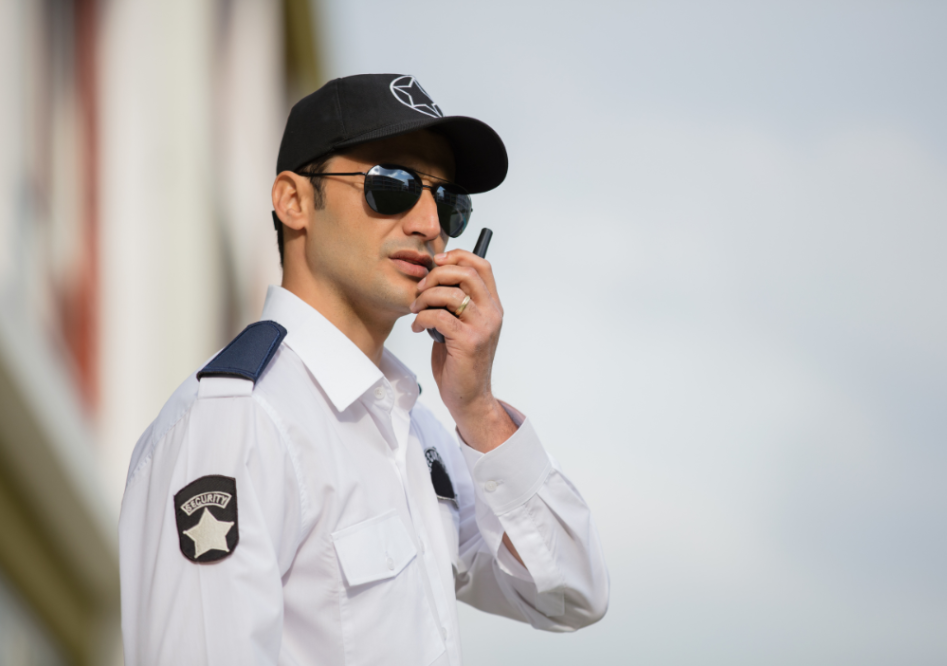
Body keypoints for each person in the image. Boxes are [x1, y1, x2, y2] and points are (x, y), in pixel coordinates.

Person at [118, 73, 609, 666]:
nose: (430, 224)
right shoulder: (238, 424)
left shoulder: (417, 429)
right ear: (294, 201)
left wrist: (477, 408)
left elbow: (571, 594)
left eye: (448, 201)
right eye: (393, 185)